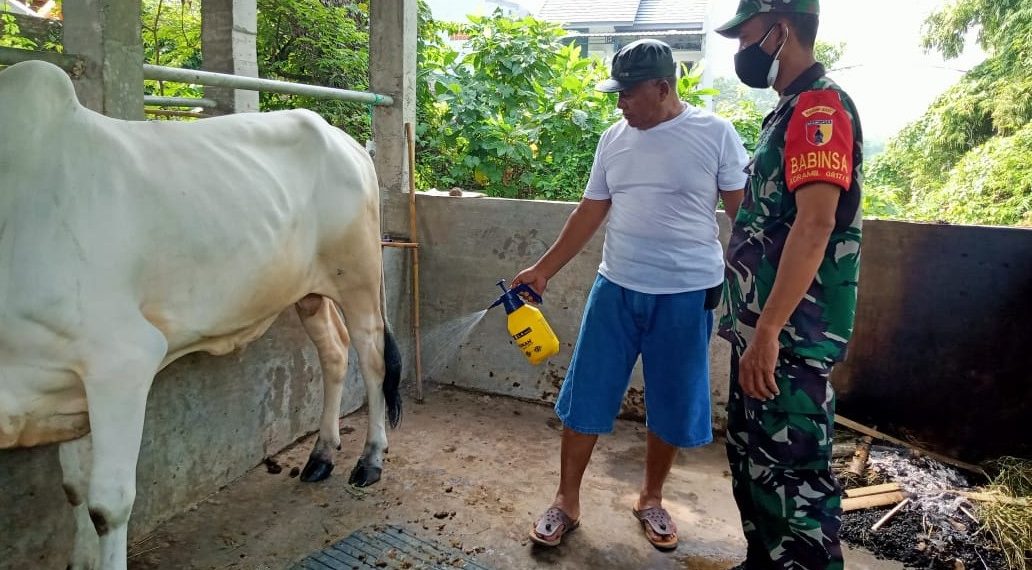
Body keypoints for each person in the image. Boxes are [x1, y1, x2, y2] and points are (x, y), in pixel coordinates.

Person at [513, 38, 749, 550]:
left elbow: (743, 216)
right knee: (585, 397)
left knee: (668, 401)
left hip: (686, 294)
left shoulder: (716, 134)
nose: (618, 102)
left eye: (628, 93)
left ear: (663, 88)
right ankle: (566, 502)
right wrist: (543, 269)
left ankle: (651, 499)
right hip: (616, 287)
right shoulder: (613, 139)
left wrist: (766, 297)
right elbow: (590, 211)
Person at [714, 1, 864, 568]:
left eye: (745, 35)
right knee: (754, 465)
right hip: (763, 333)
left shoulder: (819, 109)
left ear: (781, 31)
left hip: (791, 338)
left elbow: (817, 221)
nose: (739, 50)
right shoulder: (787, 112)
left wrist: (770, 330)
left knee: (794, 483)